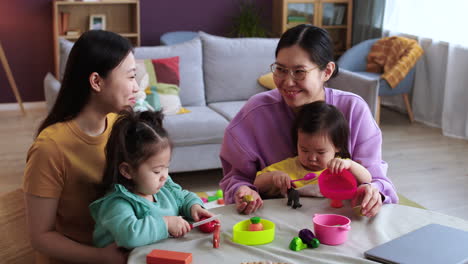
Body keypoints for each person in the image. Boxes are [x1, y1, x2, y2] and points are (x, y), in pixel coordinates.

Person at [219, 24, 398, 217]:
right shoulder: (255, 113)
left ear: (327, 71)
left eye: (299, 72)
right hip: (275, 218)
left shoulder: (353, 109)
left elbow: (376, 179)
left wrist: (373, 192)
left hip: (340, 219)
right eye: (280, 69)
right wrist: (243, 191)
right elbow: (235, 178)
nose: (287, 82)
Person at [23, 30, 139, 264]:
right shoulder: (50, 148)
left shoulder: (120, 125)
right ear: (96, 81)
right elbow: (40, 237)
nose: (136, 87)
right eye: (130, 77)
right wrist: (101, 257)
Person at [89, 110, 216, 249]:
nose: (164, 176)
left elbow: (183, 197)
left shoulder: (164, 187)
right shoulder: (117, 203)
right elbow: (130, 236)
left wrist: (194, 206)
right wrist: (166, 224)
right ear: (127, 171)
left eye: (166, 167)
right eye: (156, 171)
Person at [254, 101, 372, 200]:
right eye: (304, 150)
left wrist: (350, 164)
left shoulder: (340, 167)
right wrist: (274, 177)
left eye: (320, 152)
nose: (312, 158)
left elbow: (367, 179)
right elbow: (256, 183)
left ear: (337, 146)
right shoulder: (289, 167)